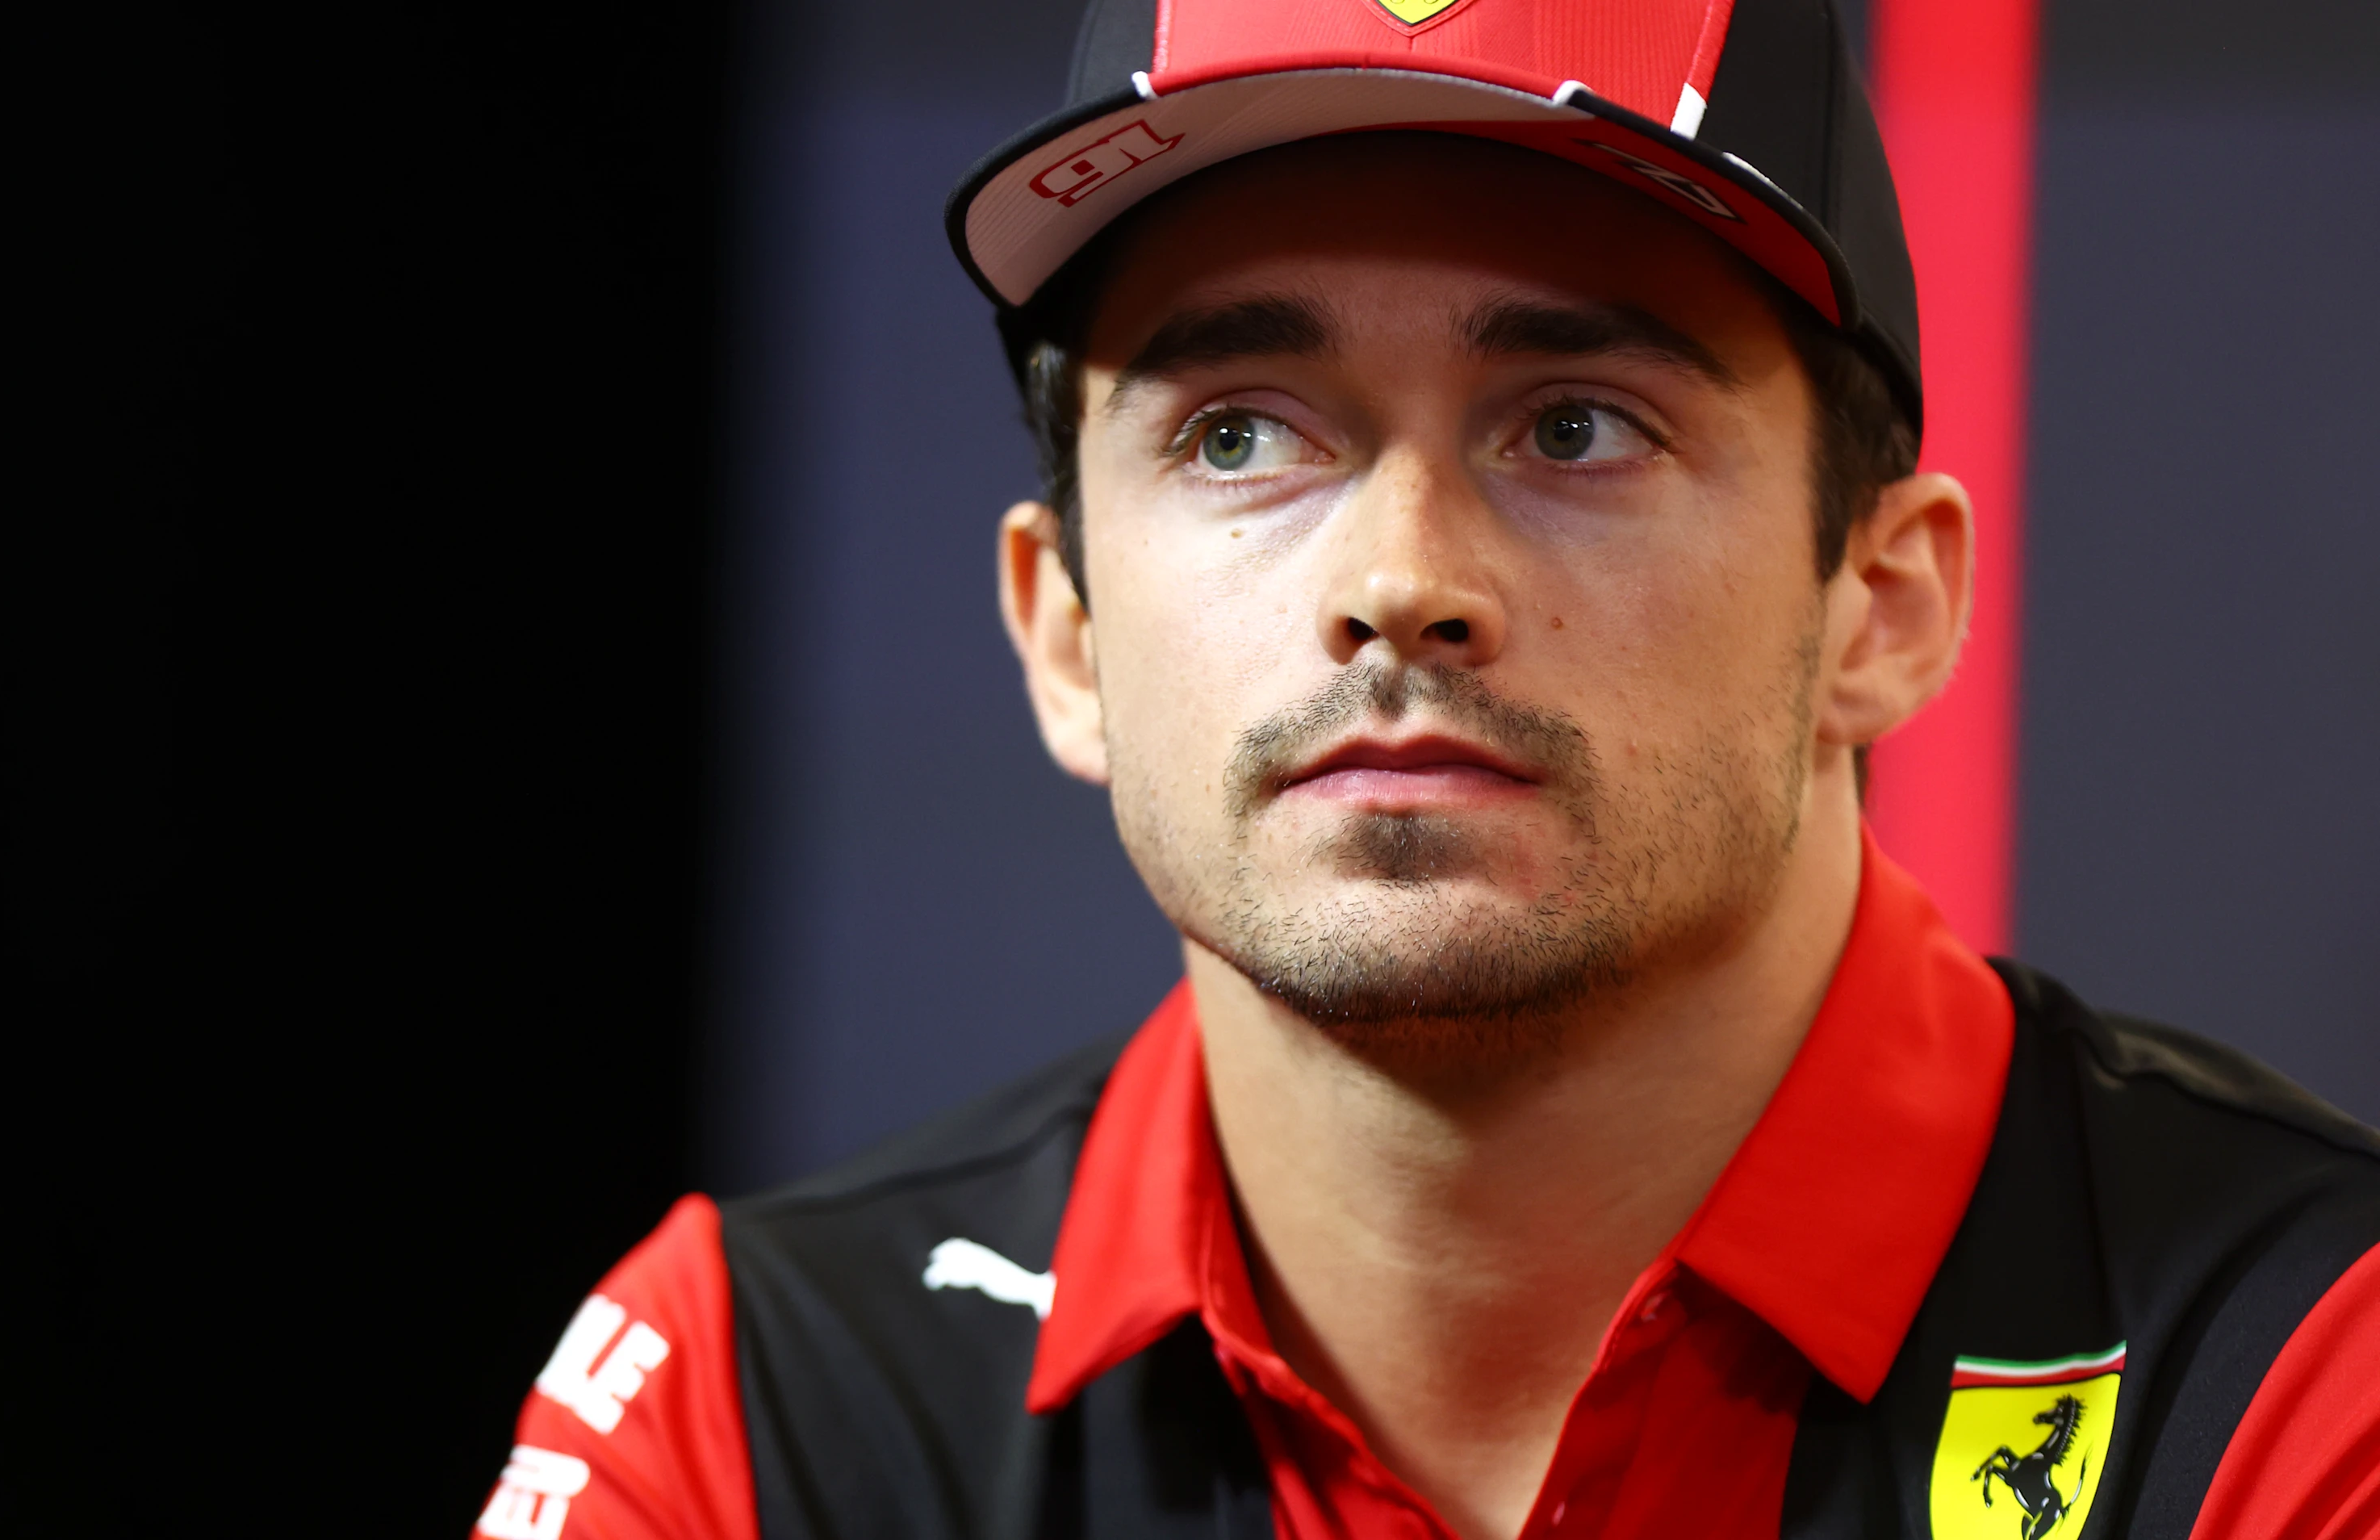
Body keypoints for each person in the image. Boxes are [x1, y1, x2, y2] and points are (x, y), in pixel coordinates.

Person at [474, 0, 2379, 1534]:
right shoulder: (749, 1404)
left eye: (1573, 423)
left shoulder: (2317, 1371)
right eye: (1235, 437)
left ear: (1879, 605)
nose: (1401, 584)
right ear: (1061, 628)